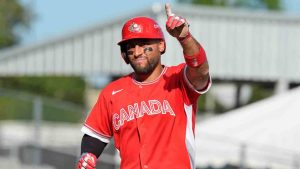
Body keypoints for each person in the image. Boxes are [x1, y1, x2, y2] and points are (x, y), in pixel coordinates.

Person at [77, 3, 211, 169]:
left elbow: (201, 70)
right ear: (124, 54)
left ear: (161, 45)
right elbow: (95, 136)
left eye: (143, 43)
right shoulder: (112, 93)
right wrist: (87, 154)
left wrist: (185, 37)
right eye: (131, 46)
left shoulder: (178, 79)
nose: (137, 51)